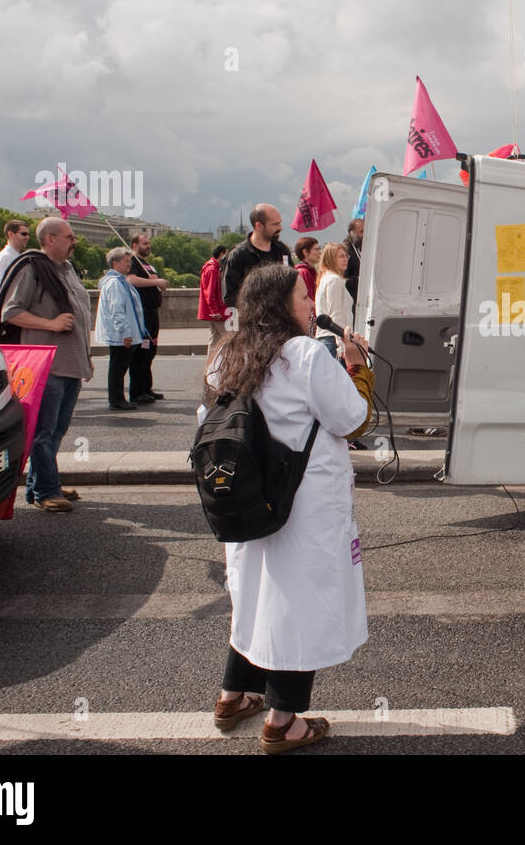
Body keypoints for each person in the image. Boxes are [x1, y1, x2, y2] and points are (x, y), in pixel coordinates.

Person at [203, 264, 376, 753]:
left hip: (246, 496)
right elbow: (352, 418)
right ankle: (283, 721)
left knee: (253, 595)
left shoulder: (226, 354)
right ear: (281, 304)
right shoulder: (303, 354)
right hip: (305, 502)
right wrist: (357, 365)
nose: (311, 306)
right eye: (303, 297)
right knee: (299, 603)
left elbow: (210, 419)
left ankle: (232, 697)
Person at [0, 217, 94, 512]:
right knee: (44, 431)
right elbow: (10, 312)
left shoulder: (66, 270)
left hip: (70, 361)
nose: (73, 240)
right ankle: (47, 491)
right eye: (69, 236)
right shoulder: (32, 268)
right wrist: (50, 324)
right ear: (49, 239)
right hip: (47, 365)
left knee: (57, 430)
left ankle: (42, 484)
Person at [95, 247, 150, 411]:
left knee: (119, 367)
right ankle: (117, 399)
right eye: (127, 261)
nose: (130, 264)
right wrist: (126, 333)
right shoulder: (115, 284)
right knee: (118, 368)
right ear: (115, 263)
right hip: (120, 335)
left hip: (123, 333)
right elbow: (117, 310)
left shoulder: (120, 281)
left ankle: (118, 398)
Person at [125, 232, 169, 404]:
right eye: (145, 243)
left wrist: (158, 284)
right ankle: (137, 391)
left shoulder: (146, 264)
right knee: (141, 352)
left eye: (149, 243)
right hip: (142, 313)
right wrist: (156, 283)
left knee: (150, 351)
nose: (148, 246)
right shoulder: (133, 261)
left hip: (152, 312)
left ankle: (146, 387)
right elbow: (131, 280)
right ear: (135, 245)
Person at [221, 204, 292, 309]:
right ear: (259, 225)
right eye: (275, 224)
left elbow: (292, 283)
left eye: (280, 223)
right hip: (253, 321)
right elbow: (229, 297)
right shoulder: (238, 256)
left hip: (282, 320)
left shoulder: (282, 250)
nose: (280, 228)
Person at [314, 242, 353, 362]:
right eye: (341, 256)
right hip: (334, 341)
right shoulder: (334, 280)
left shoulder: (326, 278)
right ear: (331, 258)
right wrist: (342, 347)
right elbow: (335, 315)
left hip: (327, 339)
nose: (345, 259)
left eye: (346, 256)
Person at [198, 244, 230, 344]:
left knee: (215, 340)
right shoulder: (212, 270)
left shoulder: (210, 268)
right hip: (217, 311)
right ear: (221, 254)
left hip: (214, 310)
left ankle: (211, 359)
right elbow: (210, 292)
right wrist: (215, 311)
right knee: (229, 339)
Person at [0, 219, 31, 290]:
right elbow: (5, 287)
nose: (27, 237)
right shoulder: (5, 257)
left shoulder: (16, 256)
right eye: (24, 234)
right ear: (10, 234)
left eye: (28, 234)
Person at [294, 236, 320, 334]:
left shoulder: (311, 271)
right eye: (316, 249)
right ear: (305, 252)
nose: (319, 252)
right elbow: (308, 296)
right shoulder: (303, 272)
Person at [342, 218, 364, 306]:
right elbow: (344, 279)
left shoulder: (359, 248)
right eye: (361, 232)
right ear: (352, 233)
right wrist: (361, 280)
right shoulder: (346, 250)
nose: (365, 235)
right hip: (351, 302)